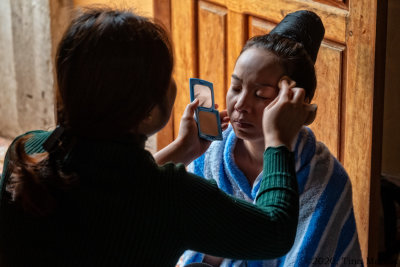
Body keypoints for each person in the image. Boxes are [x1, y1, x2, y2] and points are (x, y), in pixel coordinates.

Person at [0, 7, 314, 267]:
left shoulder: (26, 151)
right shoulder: (173, 197)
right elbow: (274, 232)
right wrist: (278, 141)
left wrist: (180, 150)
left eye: (261, 94)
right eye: (168, 77)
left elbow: (110, 188)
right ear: (149, 110)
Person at [178, 10, 363, 267]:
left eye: (262, 95)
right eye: (236, 87)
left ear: (296, 103)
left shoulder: (325, 180)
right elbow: (186, 244)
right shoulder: (210, 154)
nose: (241, 105)